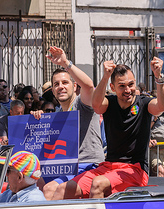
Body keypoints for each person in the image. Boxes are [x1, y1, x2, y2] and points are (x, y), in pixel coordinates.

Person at [51, 56, 164, 199]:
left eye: (131, 84)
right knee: (63, 189)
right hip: (108, 167)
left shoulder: (143, 103)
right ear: (112, 87)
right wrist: (105, 77)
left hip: (135, 170)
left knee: (98, 184)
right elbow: (96, 105)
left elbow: (162, 106)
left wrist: (158, 77)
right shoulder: (109, 103)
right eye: (122, 86)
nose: (127, 90)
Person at [38, 46, 104, 200]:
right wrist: (37, 118)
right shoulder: (57, 115)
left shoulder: (83, 103)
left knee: (49, 190)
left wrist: (66, 63)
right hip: (64, 167)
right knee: (36, 183)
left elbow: (88, 86)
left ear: (74, 87)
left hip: (88, 164)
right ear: (53, 91)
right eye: (56, 84)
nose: (60, 86)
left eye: (65, 82)